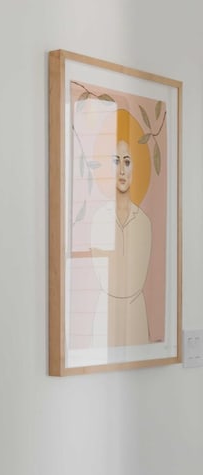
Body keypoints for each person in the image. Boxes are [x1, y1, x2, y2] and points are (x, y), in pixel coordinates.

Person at [90, 109, 152, 347]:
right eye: (116, 161)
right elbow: (103, 275)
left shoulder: (144, 221)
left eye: (127, 161)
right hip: (105, 318)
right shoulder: (98, 219)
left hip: (135, 315)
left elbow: (137, 277)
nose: (122, 170)